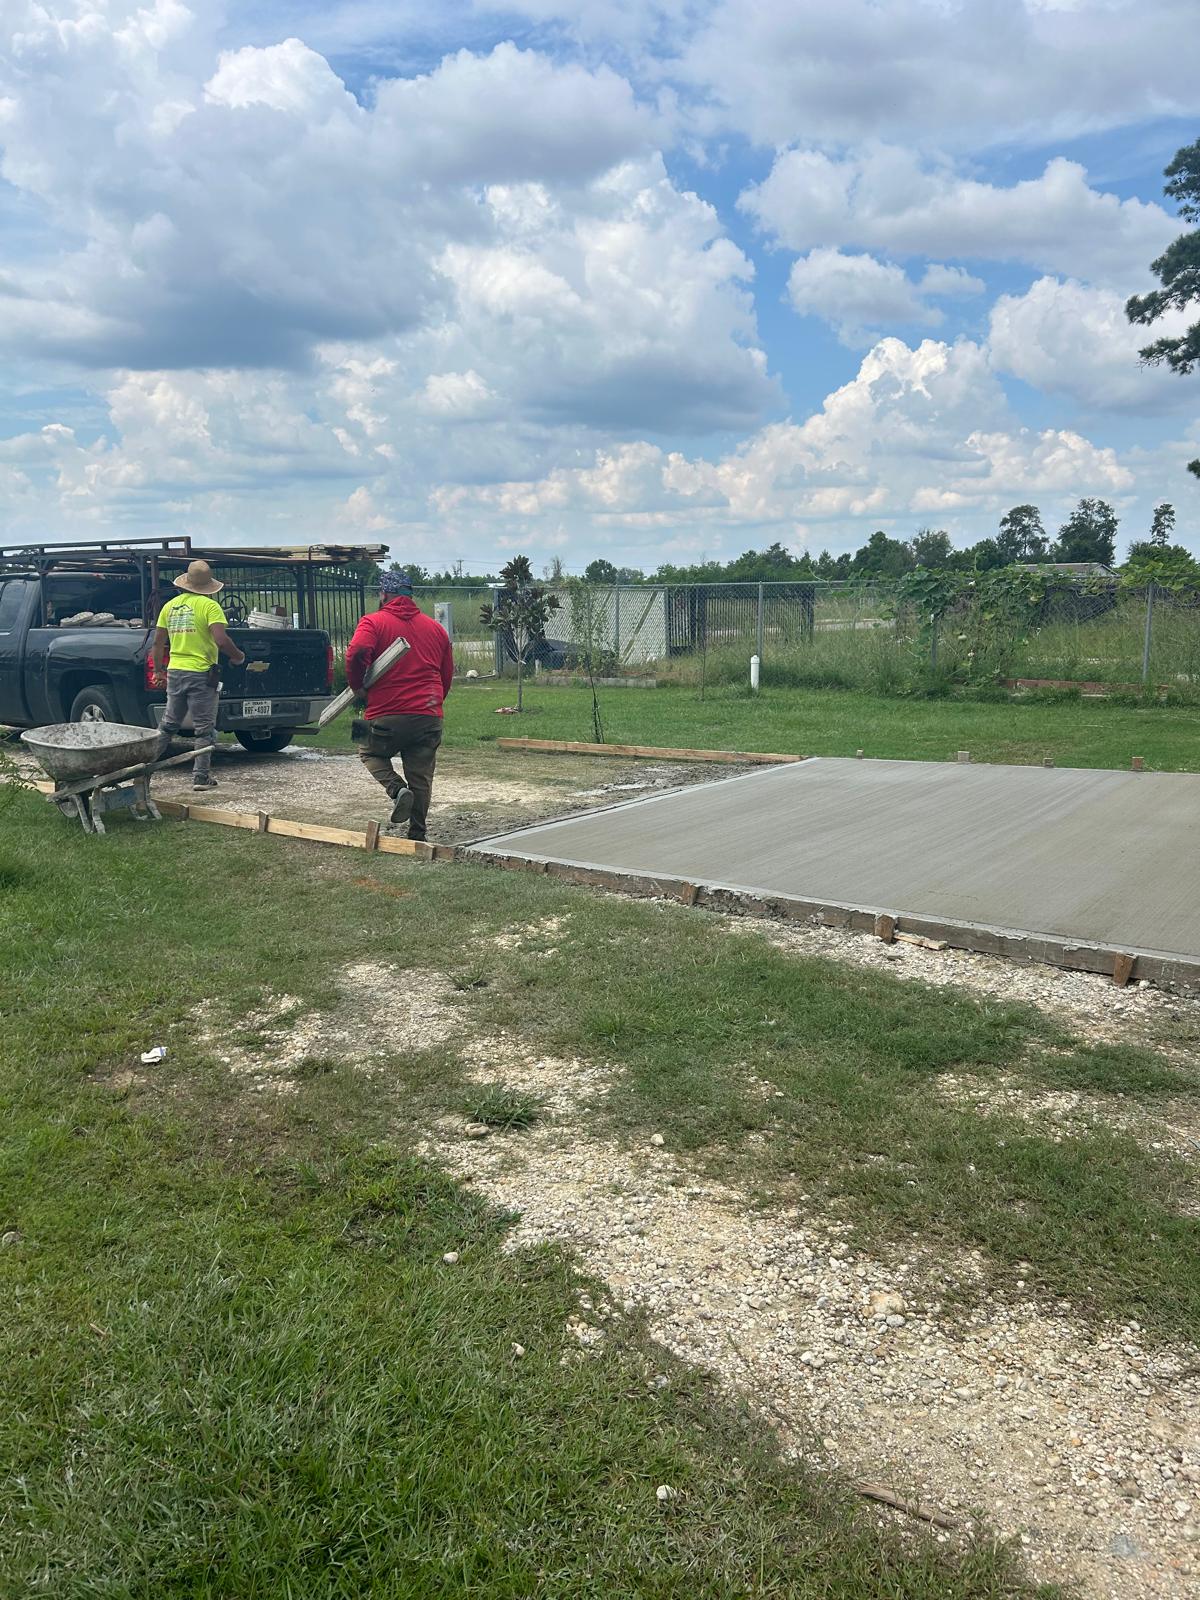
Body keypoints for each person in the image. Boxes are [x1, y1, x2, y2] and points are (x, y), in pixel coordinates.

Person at [345, 570, 454, 839]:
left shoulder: (372, 621)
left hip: (384, 713)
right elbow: (446, 676)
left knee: (364, 747)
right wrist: (432, 705)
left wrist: (357, 686)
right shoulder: (436, 629)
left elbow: (357, 653)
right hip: (428, 715)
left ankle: (396, 789)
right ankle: (418, 833)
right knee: (422, 775)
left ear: (383, 594)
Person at [150, 559, 245, 790]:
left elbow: (158, 642)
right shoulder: (209, 607)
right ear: (208, 586)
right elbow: (221, 640)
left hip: (175, 671)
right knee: (204, 728)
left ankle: (144, 768)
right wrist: (238, 656)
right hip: (201, 673)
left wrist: (158, 671)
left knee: (168, 725)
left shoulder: (169, 607)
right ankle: (201, 777)